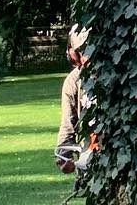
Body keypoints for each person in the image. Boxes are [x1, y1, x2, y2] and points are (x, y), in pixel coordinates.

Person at [56, 24, 94, 176]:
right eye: (80, 51)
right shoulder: (73, 82)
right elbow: (68, 122)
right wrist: (63, 154)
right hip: (90, 150)